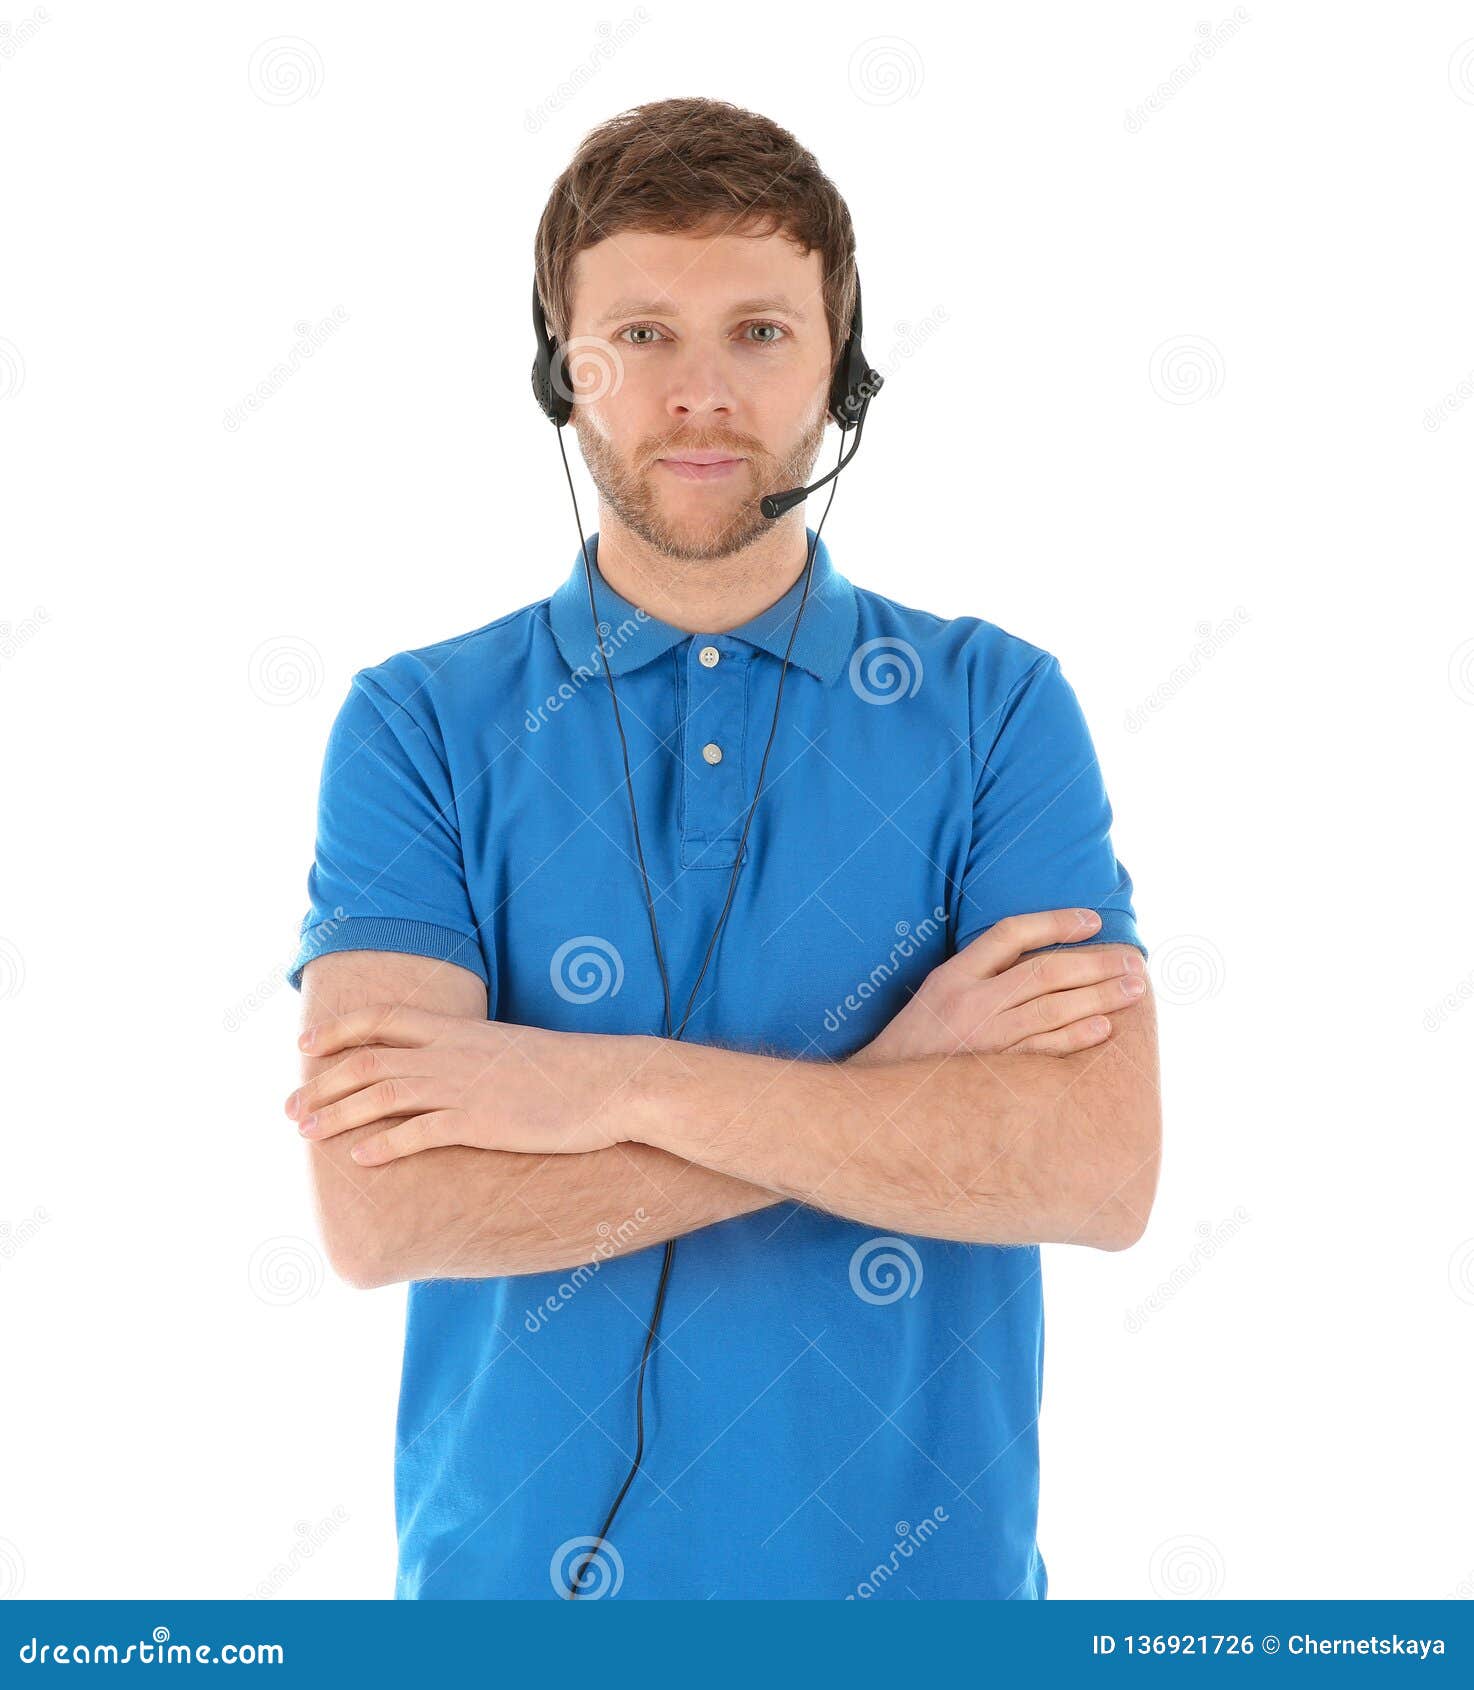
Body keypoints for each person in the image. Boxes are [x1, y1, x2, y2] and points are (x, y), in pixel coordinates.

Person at [283, 96, 1160, 1601]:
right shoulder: (416, 725)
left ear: (841, 367)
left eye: (758, 330)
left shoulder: (996, 707)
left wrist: (590, 1083)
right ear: (563, 372)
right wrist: (888, 1094)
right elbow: (386, 1213)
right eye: (641, 335)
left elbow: (1089, 1169)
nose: (700, 392)